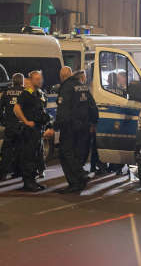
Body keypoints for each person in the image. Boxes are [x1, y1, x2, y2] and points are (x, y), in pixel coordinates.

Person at [54, 66, 99, 194]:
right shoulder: (82, 86)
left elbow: (63, 109)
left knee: (65, 154)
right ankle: (79, 182)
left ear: (62, 76)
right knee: (78, 154)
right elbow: (92, 105)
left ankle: (77, 179)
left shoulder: (66, 87)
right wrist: (94, 123)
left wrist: (55, 126)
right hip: (84, 127)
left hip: (70, 127)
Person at [13, 71, 53, 192]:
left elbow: (42, 112)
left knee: (37, 156)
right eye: (36, 79)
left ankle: (33, 181)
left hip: (38, 130)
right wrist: (25, 121)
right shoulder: (26, 94)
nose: (39, 81)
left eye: (40, 79)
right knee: (29, 157)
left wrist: (48, 126)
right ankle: (28, 182)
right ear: (30, 80)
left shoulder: (39, 94)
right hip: (29, 131)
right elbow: (16, 108)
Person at [0, 73, 26, 181]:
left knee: (7, 150)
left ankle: (3, 174)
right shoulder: (26, 92)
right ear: (22, 82)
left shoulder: (6, 92)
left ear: (13, 81)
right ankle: (19, 172)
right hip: (22, 125)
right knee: (21, 150)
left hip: (10, 125)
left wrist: (4, 121)